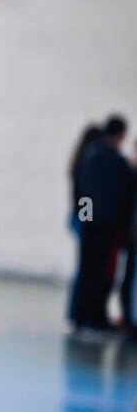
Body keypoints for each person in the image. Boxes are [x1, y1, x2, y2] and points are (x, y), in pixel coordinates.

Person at [71, 114, 132, 333]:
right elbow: (121, 196)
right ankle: (92, 317)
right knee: (99, 274)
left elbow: (85, 192)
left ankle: (83, 316)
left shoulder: (91, 155)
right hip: (105, 227)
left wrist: (87, 220)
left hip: (94, 225)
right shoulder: (114, 160)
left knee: (89, 272)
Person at [68, 123, 104, 324]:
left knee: (83, 266)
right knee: (84, 267)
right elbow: (85, 196)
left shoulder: (81, 158)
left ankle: (77, 313)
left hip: (79, 217)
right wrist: (88, 219)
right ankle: (77, 314)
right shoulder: (87, 161)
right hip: (82, 218)